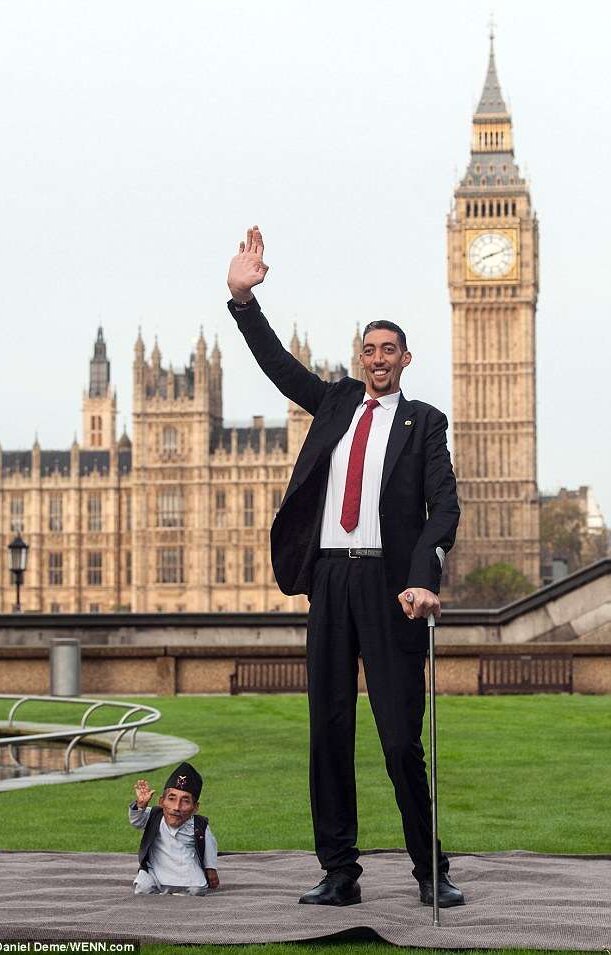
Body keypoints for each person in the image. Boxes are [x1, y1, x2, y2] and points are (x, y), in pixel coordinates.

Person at [226, 226, 464, 909]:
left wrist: (425, 575)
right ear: (359, 357)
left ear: (405, 358)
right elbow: (276, 364)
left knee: (398, 739)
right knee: (326, 730)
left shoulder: (424, 423)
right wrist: (243, 299)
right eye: (369, 349)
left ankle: (430, 867)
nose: (378, 358)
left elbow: (443, 509)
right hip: (329, 577)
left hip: (393, 588)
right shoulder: (332, 402)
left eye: (389, 350)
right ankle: (339, 868)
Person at [128, 761, 219, 896]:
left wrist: (211, 868)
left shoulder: (199, 825)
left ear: (195, 808)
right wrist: (140, 806)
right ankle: (161, 889)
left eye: (185, 801)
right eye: (171, 798)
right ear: (161, 801)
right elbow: (136, 821)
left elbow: (210, 845)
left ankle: (177, 894)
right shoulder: (153, 815)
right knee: (143, 887)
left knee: (197, 889)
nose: (177, 807)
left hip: (186, 871)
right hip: (156, 870)